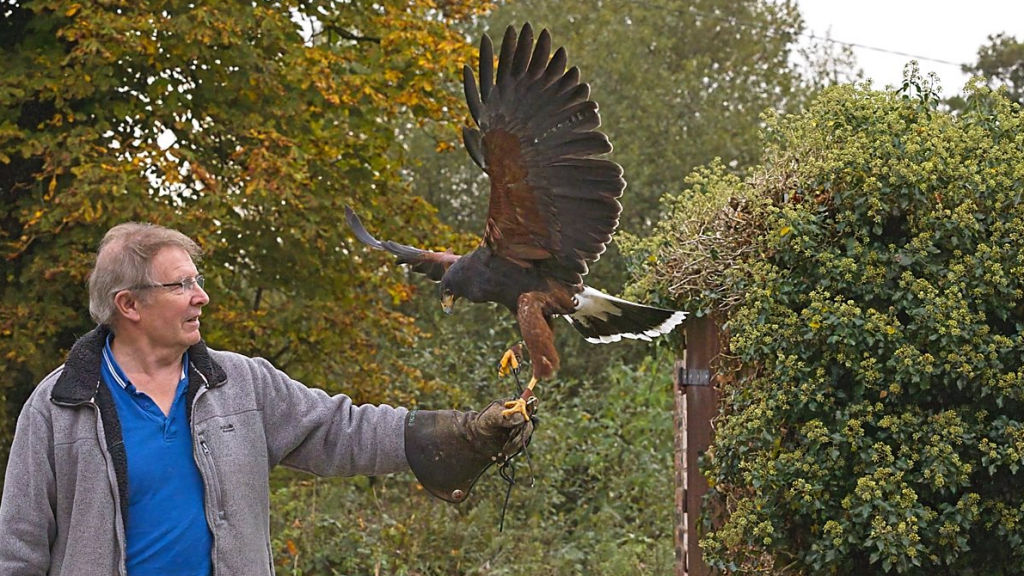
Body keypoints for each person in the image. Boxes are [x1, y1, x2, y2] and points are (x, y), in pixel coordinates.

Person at [0, 222, 534, 575]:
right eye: (180, 285)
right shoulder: (59, 407)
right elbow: (19, 547)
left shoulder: (239, 383)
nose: (201, 295)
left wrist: (459, 433)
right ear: (129, 305)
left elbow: (339, 430)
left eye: (198, 279)